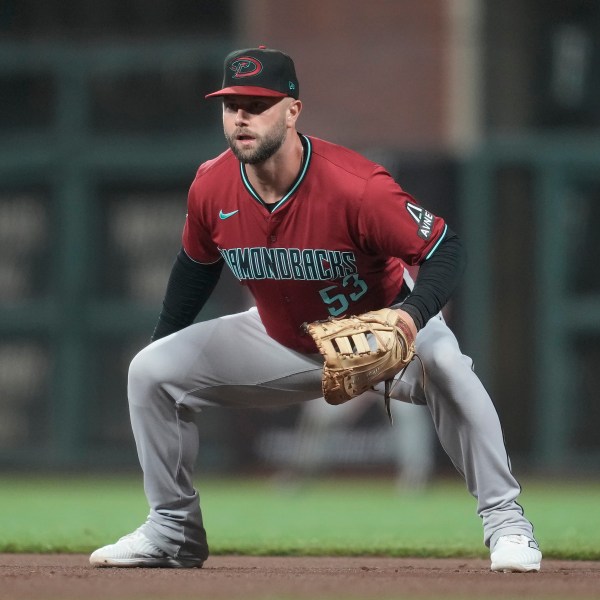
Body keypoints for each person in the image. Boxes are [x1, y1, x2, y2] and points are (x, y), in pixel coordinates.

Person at [89, 46, 542, 572]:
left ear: (292, 110)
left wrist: (413, 316)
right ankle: (172, 531)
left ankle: (507, 522)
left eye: (258, 104)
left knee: (446, 365)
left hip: (383, 335)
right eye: (231, 103)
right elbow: (196, 266)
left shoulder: (357, 187)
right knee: (151, 370)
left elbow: (445, 248)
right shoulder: (211, 184)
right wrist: (165, 337)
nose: (242, 116)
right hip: (282, 340)